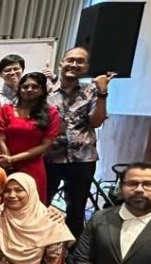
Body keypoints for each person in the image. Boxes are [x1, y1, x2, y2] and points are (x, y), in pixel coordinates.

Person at [46, 46, 115, 238]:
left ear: (85, 67)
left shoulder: (92, 90)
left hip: (82, 159)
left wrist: (103, 93)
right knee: (42, 203)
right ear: (61, 63)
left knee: (76, 209)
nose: (74, 64)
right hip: (50, 157)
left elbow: (96, 122)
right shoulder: (46, 90)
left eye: (80, 61)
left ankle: (71, 248)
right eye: (70, 60)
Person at [0, 72, 60, 205]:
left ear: (42, 90)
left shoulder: (51, 113)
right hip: (2, 161)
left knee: (29, 204)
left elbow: (46, 145)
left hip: (31, 165)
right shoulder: (5, 110)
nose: (29, 89)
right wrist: (7, 161)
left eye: (35, 87)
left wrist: (13, 159)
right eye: (25, 86)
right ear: (19, 89)